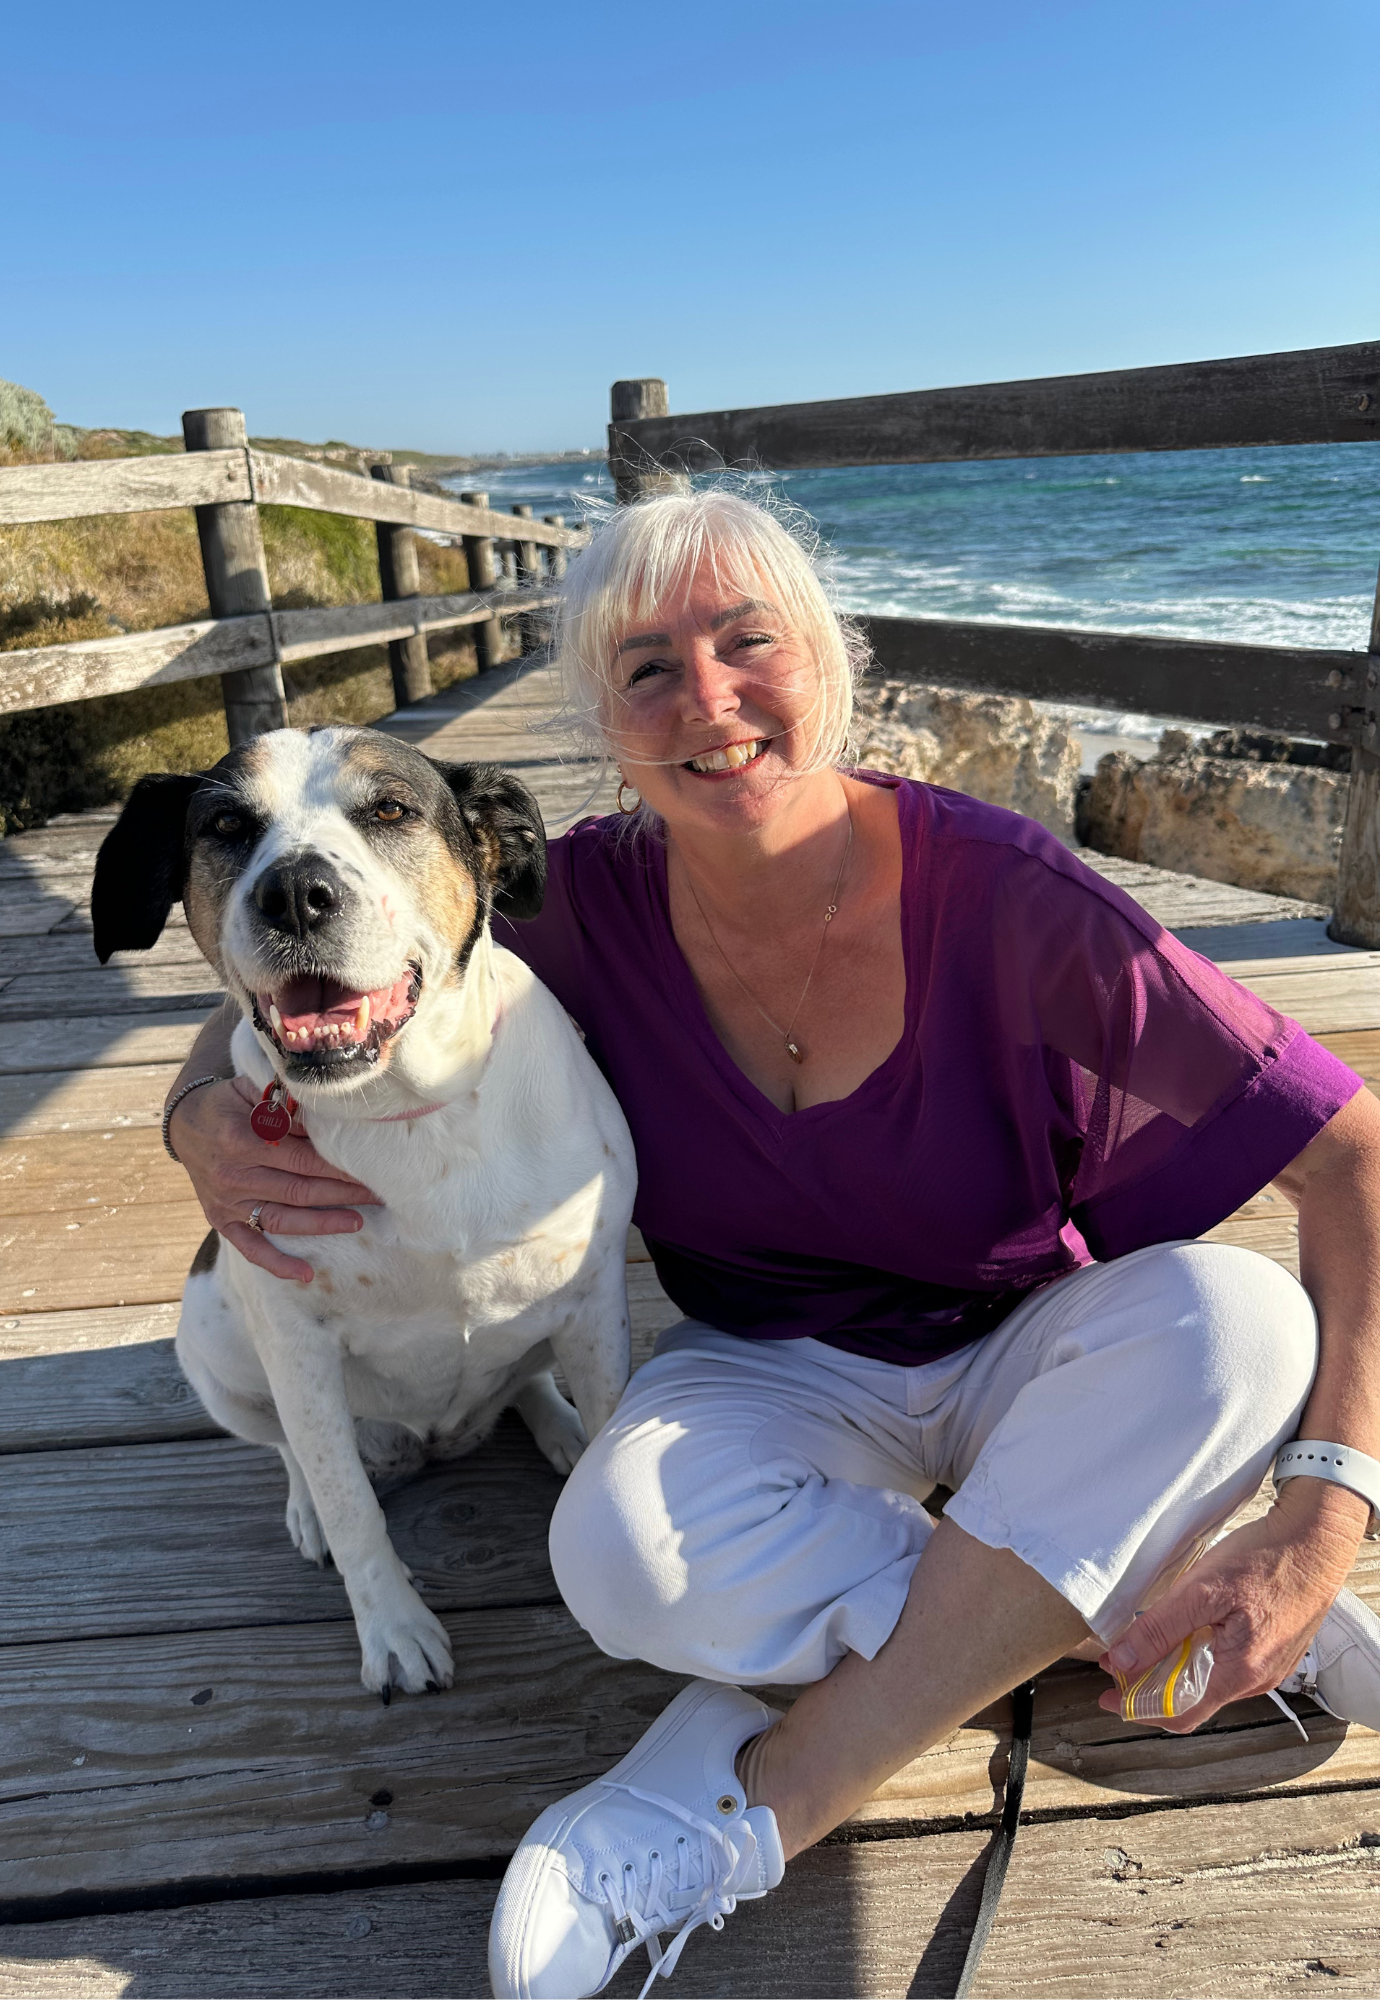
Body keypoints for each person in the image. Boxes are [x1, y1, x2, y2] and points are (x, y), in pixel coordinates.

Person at [166, 489, 1380, 2000]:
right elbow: (327, 968)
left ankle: (753, 1797)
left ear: (830, 661)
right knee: (614, 1562)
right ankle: (1127, 1590)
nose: (711, 699)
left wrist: (1325, 1512)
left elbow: (1354, 1161)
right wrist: (193, 1112)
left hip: (1023, 1334)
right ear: (598, 713)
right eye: (648, 665)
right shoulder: (569, 900)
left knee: (1240, 1324)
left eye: (750, 643)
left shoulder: (1007, 896)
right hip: (768, 1368)